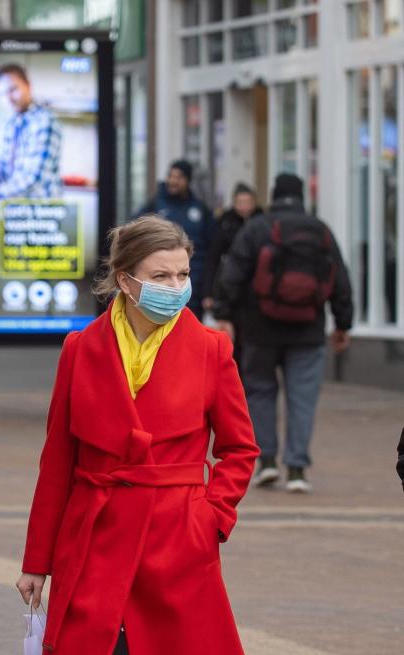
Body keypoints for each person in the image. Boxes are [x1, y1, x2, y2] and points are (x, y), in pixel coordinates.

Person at [15, 215, 258, 655]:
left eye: (183, 275)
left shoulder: (210, 348)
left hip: (176, 545)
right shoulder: (81, 349)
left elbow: (240, 448)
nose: (176, 288)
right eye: (162, 276)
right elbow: (57, 460)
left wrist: (209, 518)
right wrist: (37, 559)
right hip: (95, 540)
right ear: (126, 282)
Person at [213, 172, 353, 493]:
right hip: (309, 331)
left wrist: (224, 314)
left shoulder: (257, 228)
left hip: (260, 330)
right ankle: (298, 469)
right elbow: (341, 281)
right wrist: (343, 324)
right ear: (302, 196)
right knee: (302, 399)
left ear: (274, 195)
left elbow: (232, 272)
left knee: (260, 392)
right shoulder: (321, 231)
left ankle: (267, 463)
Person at [0, 64, 63, 226]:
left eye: (13, 89)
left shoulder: (44, 121)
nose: (8, 98)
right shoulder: (9, 123)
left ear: (28, 85)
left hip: (41, 218)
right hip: (14, 216)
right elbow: (0, 165)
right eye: (1, 94)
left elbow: (32, 177)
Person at [136, 160, 215, 315]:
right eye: (170, 176)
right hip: (161, 283)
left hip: (193, 283)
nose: (173, 181)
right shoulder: (155, 204)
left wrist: (208, 289)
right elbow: (137, 231)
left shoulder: (200, 209)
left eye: (178, 177)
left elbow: (212, 250)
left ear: (187, 180)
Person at [204, 183, 263, 364]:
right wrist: (209, 293)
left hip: (254, 291)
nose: (244, 206)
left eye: (248, 202)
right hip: (228, 290)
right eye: (240, 202)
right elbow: (212, 261)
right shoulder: (224, 224)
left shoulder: (263, 222)